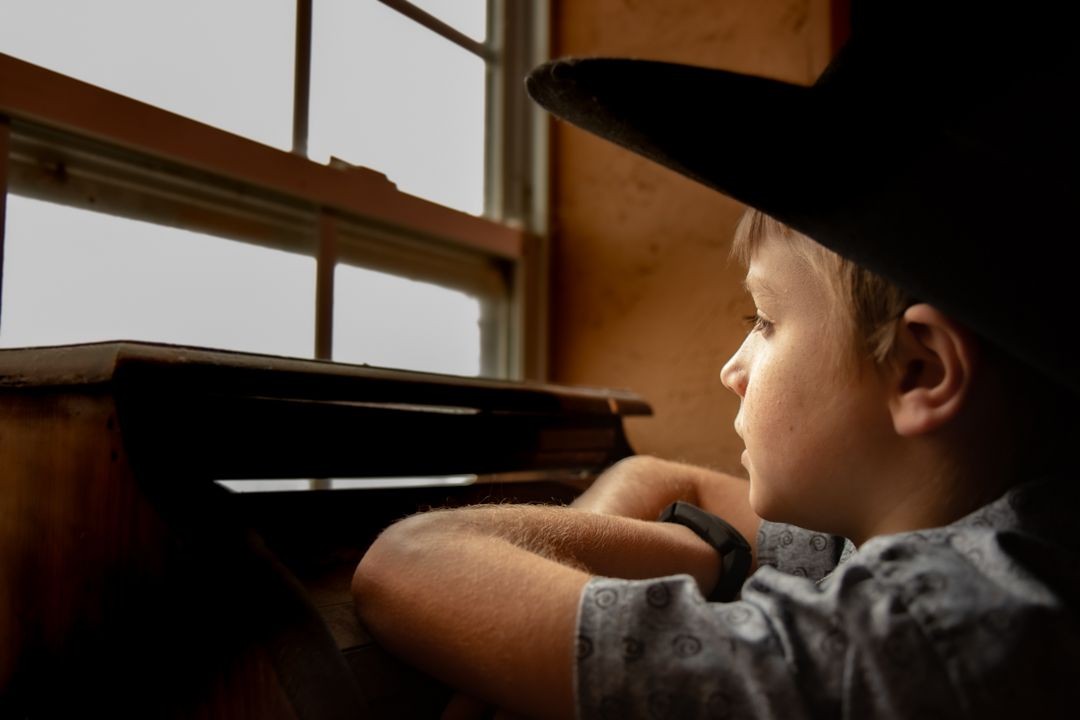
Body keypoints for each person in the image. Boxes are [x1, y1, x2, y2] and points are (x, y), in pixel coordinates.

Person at [353, 3, 1080, 717]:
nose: (732, 369)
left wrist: (587, 598)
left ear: (919, 371)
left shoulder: (922, 641)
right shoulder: (983, 524)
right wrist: (703, 553)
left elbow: (404, 564)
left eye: (763, 320)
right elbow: (659, 480)